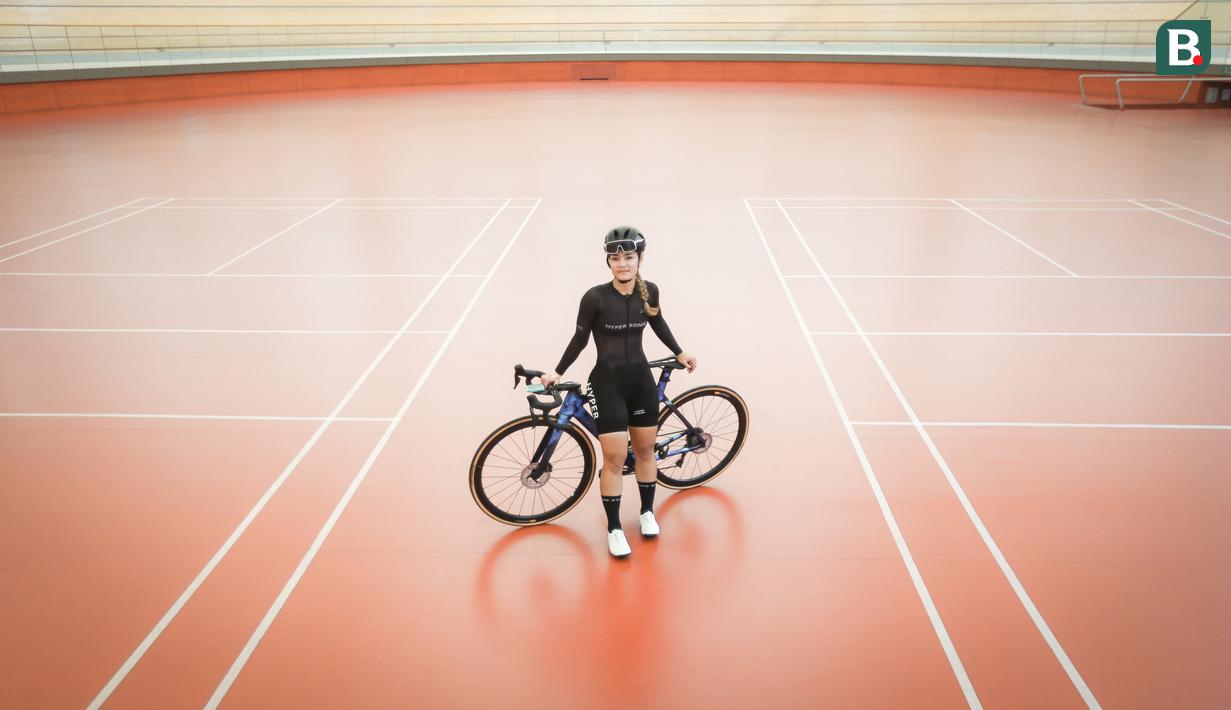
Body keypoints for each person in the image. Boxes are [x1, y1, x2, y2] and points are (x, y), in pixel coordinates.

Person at [541, 226, 697, 558]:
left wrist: (679, 351)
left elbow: (658, 322)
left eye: (628, 257)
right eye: (615, 258)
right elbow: (580, 339)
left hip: (640, 382)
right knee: (613, 459)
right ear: (608, 262)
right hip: (607, 382)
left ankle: (646, 512)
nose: (622, 264)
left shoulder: (649, 291)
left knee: (644, 452)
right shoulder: (595, 298)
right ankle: (614, 528)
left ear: (639, 259)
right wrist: (557, 371)